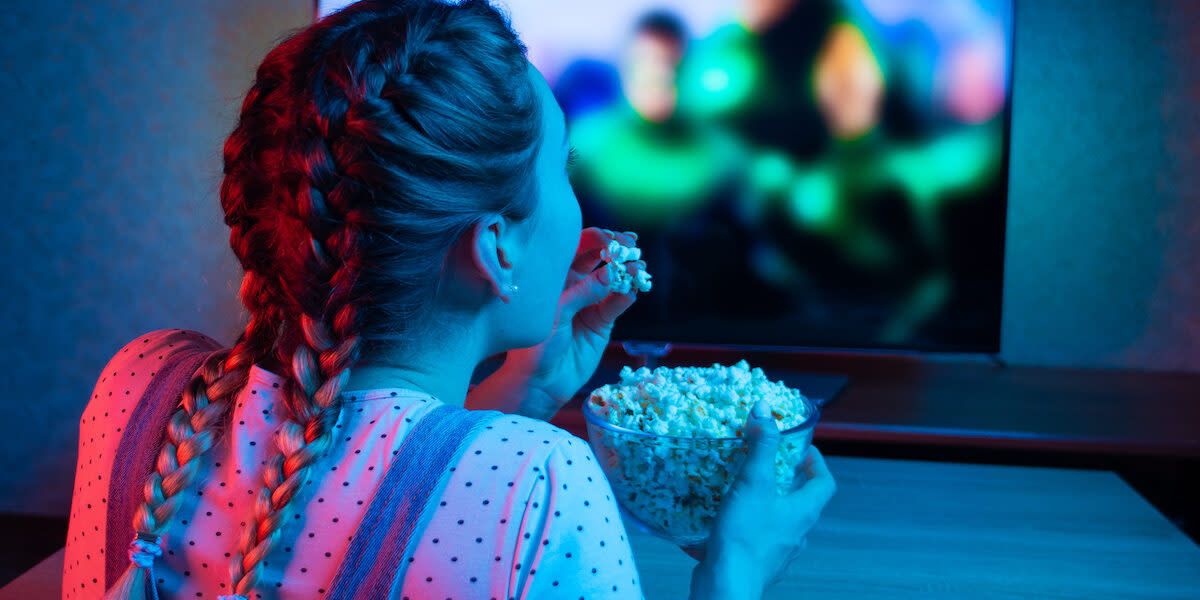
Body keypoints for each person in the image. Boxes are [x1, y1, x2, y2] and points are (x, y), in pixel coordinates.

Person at [62, 1, 836, 599]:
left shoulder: (143, 385)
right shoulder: (543, 487)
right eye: (561, 167)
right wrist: (735, 568)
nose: (578, 204)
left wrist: (515, 396)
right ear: (496, 247)